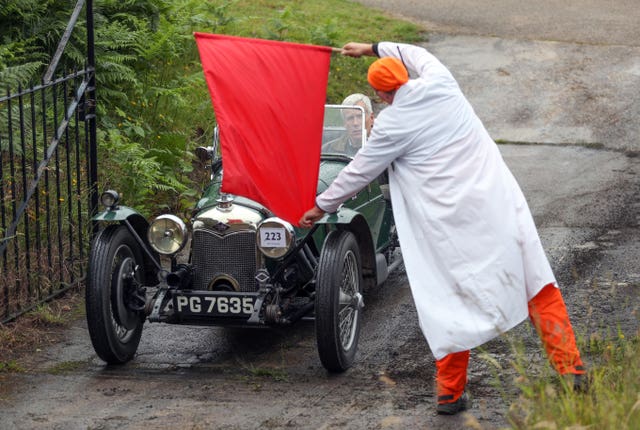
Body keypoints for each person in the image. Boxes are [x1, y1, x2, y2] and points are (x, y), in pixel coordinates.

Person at [300, 41, 586, 415]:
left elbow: (357, 172)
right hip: (498, 205)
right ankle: (572, 370)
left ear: (381, 93)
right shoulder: (441, 81)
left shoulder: (391, 125)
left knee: (450, 301)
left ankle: (450, 394)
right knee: (536, 282)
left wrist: (321, 206)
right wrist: (371, 47)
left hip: (450, 226)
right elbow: (415, 52)